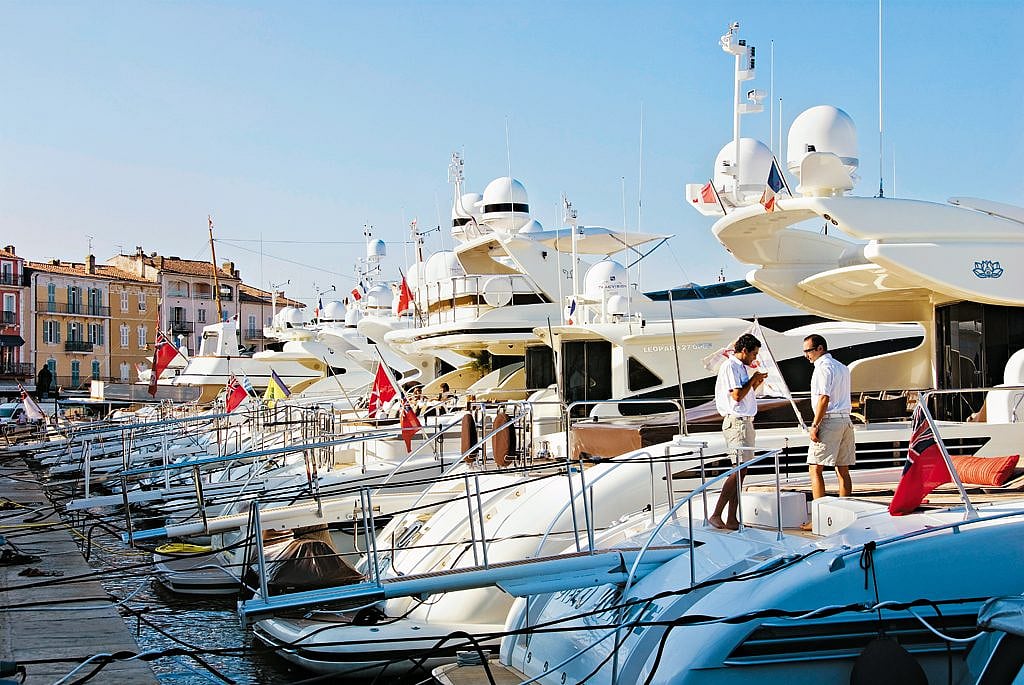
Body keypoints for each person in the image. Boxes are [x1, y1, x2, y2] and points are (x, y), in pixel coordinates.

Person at [709, 333, 768, 531]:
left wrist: (755, 381)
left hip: (744, 422)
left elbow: (742, 393)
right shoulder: (731, 366)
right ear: (744, 351)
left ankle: (732, 518)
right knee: (737, 471)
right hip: (737, 423)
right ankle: (717, 514)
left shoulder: (739, 367)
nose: (754, 358)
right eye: (753, 354)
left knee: (741, 472)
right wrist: (753, 380)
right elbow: (736, 396)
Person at [803, 334, 855, 502]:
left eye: (808, 351)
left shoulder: (822, 368)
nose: (806, 355)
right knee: (843, 470)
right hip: (846, 420)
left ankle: (819, 517)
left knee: (815, 469)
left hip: (830, 421)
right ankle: (846, 510)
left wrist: (815, 425)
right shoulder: (842, 367)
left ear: (820, 348)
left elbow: (824, 398)